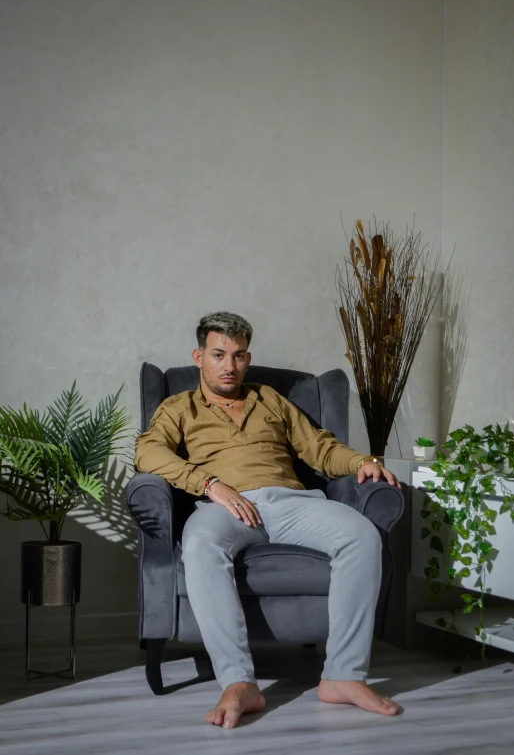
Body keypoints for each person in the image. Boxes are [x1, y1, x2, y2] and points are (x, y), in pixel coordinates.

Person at [135, 311, 402, 729]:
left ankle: (343, 676)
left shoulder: (270, 400)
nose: (229, 365)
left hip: (290, 502)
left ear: (248, 357)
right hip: (222, 508)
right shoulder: (178, 407)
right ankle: (239, 682)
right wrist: (210, 484)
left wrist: (363, 461)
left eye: (239, 355)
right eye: (219, 354)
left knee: (361, 536)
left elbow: (321, 450)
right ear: (199, 356)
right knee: (200, 545)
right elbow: (148, 454)